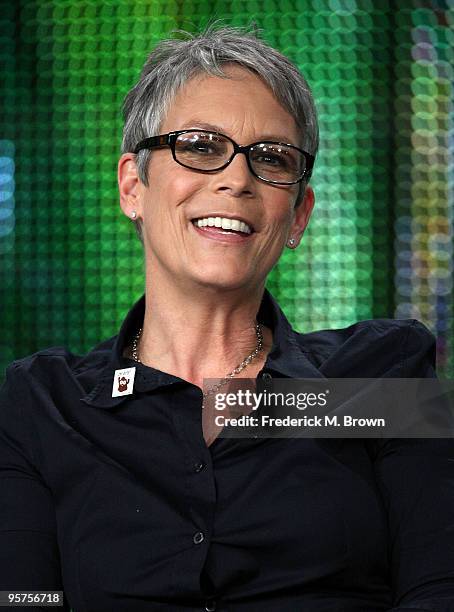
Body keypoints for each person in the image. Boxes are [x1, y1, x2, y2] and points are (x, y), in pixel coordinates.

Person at [1, 25, 454, 612]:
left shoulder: (381, 378)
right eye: (199, 146)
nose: (236, 179)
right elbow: (22, 600)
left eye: (272, 158)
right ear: (133, 185)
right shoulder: (43, 404)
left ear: (297, 215)